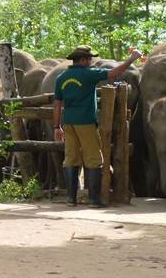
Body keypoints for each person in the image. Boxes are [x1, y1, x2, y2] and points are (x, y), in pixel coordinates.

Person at [53, 45, 143, 208]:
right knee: (94, 159)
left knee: (71, 159)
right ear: (82, 60)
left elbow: (57, 104)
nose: (91, 62)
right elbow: (115, 73)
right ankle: (93, 199)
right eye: (89, 59)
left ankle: (71, 198)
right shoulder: (89, 74)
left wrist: (56, 127)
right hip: (86, 122)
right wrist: (132, 58)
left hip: (68, 123)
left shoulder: (61, 77)